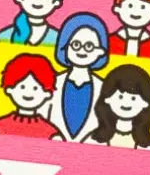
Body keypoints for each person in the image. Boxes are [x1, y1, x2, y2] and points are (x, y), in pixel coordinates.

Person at [42, 12, 109, 142]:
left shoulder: (105, 88)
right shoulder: (51, 83)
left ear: (100, 51)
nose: (82, 50)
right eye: (76, 44)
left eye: (89, 46)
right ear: (64, 46)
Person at [0, 53, 63, 139]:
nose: (28, 93)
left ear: (47, 93)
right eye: (22, 87)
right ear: (10, 89)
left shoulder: (50, 132)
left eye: (35, 88)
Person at [85, 64, 150, 150]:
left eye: (133, 98)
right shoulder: (95, 140)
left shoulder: (149, 145)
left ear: (145, 103)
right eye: (120, 96)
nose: (126, 103)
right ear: (107, 98)